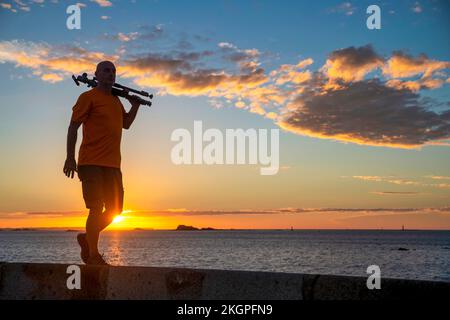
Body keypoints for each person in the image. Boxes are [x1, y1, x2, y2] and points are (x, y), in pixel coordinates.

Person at [63, 61, 142, 265]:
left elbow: (126, 124)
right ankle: (93, 255)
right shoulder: (88, 97)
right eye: (106, 70)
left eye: (114, 71)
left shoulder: (116, 101)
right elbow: (73, 127)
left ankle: (86, 238)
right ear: (96, 75)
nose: (111, 74)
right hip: (91, 162)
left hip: (114, 165)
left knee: (116, 210)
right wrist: (70, 157)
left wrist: (135, 107)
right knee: (96, 207)